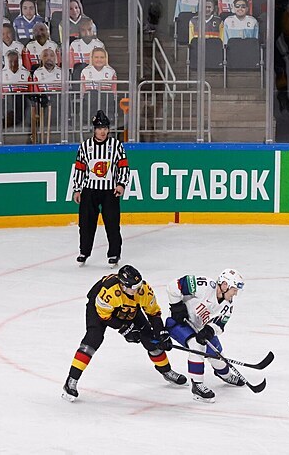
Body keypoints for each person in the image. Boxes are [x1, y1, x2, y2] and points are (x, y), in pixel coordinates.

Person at [62, 264, 185, 402]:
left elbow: (154, 313)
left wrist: (161, 332)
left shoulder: (143, 290)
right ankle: (71, 380)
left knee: (151, 339)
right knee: (93, 339)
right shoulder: (109, 292)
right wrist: (125, 329)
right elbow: (105, 317)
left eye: (139, 285)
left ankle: (166, 371)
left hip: (127, 305)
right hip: (99, 310)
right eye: (134, 287)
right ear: (123, 285)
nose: (138, 289)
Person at [165, 269, 246, 402]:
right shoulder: (204, 285)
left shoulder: (227, 305)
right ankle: (197, 386)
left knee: (217, 355)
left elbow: (219, 325)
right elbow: (174, 286)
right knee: (197, 346)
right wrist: (176, 306)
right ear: (225, 285)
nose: (235, 293)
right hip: (178, 322)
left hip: (199, 327)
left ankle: (225, 375)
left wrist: (209, 330)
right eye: (234, 289)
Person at [73, 110, 128, 266]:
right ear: (94, 129)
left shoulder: (116, 145)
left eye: (105, 128)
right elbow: (79, 168)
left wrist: (121, 184)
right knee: (85, 223)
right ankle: (84, 251)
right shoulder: (85, 147)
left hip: (110, 190)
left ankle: (114, 254)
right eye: (99, 128)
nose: (102, 131)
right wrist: (77, 189)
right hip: (89, 189)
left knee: (112, 223)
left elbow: (123, 165)